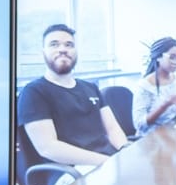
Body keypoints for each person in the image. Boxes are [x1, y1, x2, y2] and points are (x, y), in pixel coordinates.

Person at [17, 24, 129, 167]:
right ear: (43, 52)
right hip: (68, 169)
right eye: (54, 44)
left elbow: (112, 128)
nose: (63, 49)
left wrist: (124, 149)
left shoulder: (91, 88)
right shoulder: (34, 92)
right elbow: (48, 147)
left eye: (69, 45)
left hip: (105, 160)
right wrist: (106, 162)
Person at [132, 36, 176, 137]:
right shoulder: (144, 86)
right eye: (171, 57)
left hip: (172, 134)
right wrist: (165, 105)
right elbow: (139, 125)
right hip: (151, 140)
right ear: (158, 57)